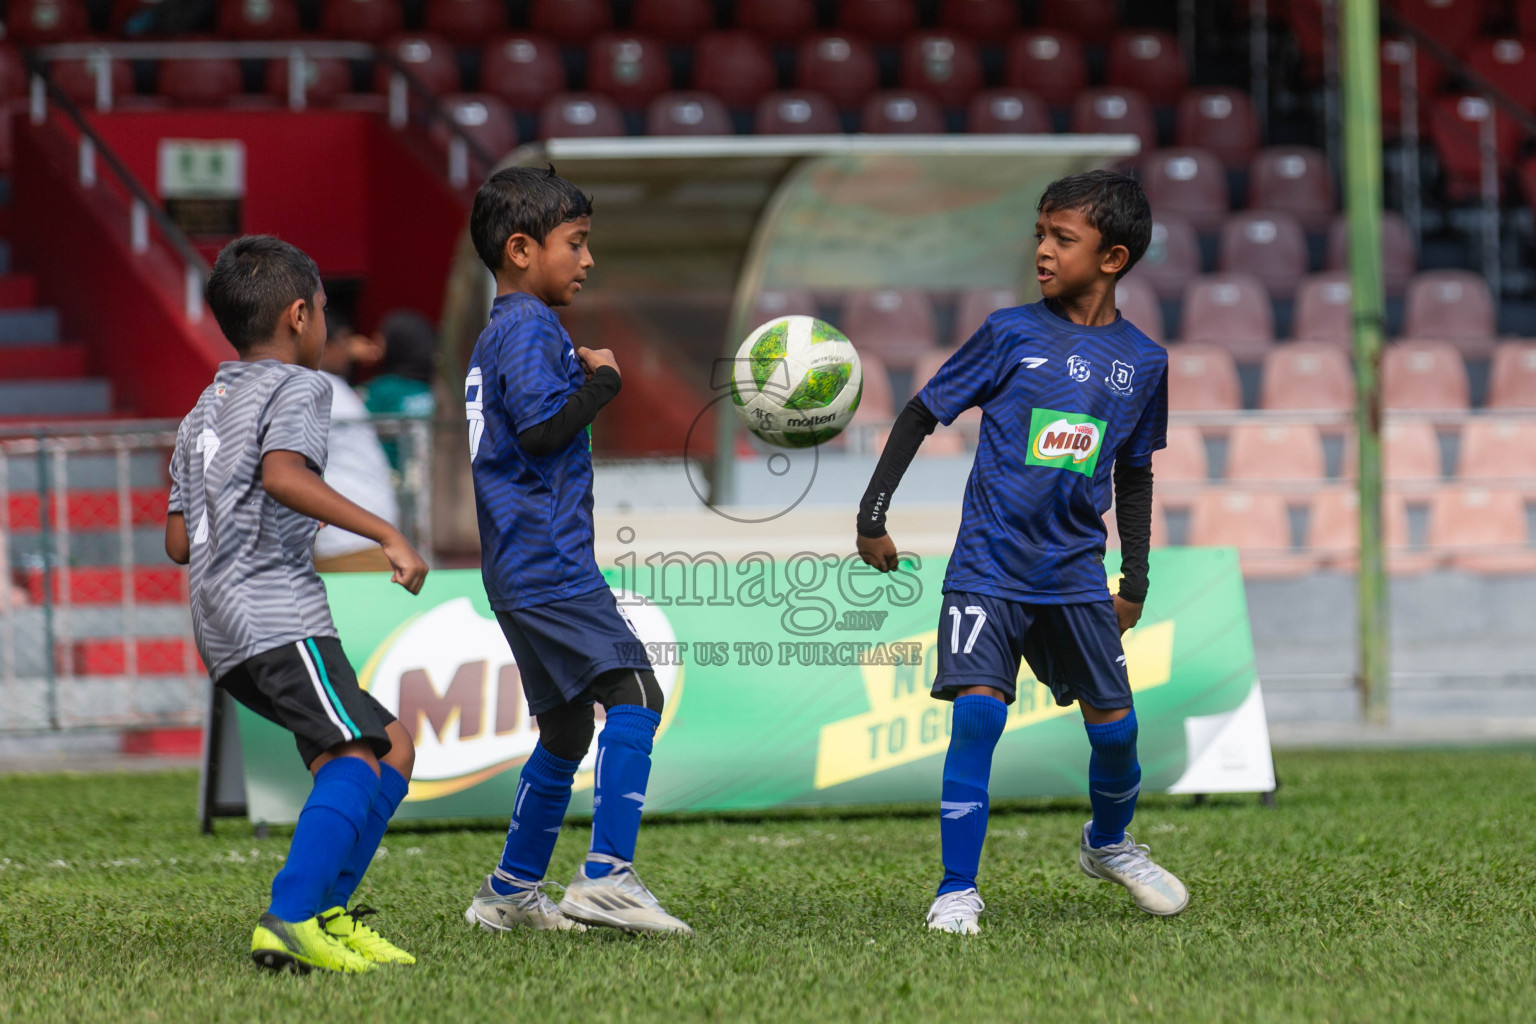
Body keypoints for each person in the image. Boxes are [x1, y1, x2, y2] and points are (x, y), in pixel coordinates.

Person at [853, 171, 1186, 935]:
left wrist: (1133, 579)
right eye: (1039, 233)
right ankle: (956, 891)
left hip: (1074, 576)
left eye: (1061, 238)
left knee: (1117, 732)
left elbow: (1135, 474)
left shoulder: (1143, 361)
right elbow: (919, 412)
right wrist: (873, 516)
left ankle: (1108, 844)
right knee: (977, 719)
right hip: (988, 568)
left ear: (1113, 257)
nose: (1041, 250)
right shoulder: (1009, 334)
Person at [164, 235, 429, 973]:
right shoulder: (302, 387)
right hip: (276, 612)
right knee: (350, 755)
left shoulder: (200, 410)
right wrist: (387, 532)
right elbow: (283, 475)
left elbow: (179, 540)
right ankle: (290, 917)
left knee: (391, 744)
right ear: (301, 313)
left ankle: (327, 913)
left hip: (219, 625)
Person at [459, 166, 691, 936]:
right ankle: (607, 877)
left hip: (517, 565)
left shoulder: (504, 329)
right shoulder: (527, 326)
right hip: (548, 559)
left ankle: (508, 892)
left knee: (565, 730)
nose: (588, 261)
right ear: (521, 249)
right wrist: (604, 384)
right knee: (639, 696)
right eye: (577, 244)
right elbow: (539, 430)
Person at [314, 321, 403, 573]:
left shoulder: (323, 386)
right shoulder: (317, 386)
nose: (351, 349)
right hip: (354, 540)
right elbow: (283, 474)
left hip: (355, 539)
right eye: (343, 341)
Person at [362, 311, 437, 472]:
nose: (376, 343)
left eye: (382, 338)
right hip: (438, 483)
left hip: (389, 482)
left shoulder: (380, 391)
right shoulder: (442, 390)